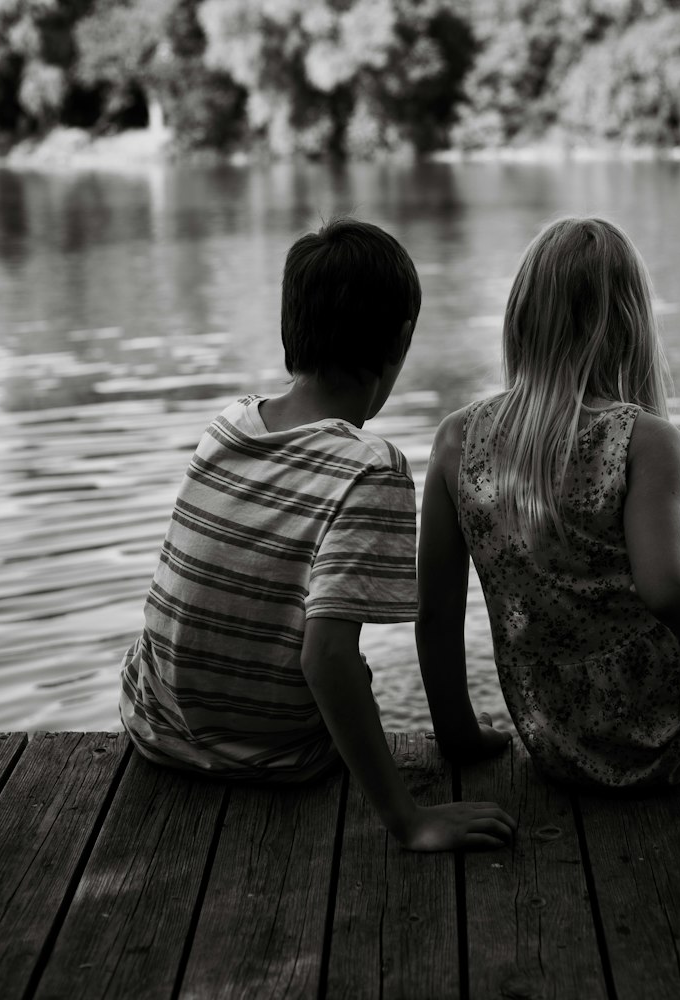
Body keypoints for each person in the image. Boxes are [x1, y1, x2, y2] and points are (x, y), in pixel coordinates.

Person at [120, 218, 515, 850]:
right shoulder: (371, 468)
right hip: (276, 757)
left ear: (289, 332)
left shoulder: (227, 425)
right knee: (348, 662)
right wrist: (409, 820)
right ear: (401, 341)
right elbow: (324, 659)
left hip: (155, 727)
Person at [416, 216, 680, 790]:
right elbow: (665, 589)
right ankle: (670, 769)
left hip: (551, 740)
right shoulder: (644, 439)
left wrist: (459, 736)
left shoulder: (456, 440)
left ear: (520, 318)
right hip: (656, 743)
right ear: (630, 325)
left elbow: (436, 613)